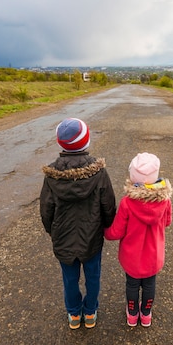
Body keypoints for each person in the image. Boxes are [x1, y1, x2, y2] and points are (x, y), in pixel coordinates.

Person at [40, 118, 116, 329]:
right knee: (93, 276)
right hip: (91, 237)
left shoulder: (52, 176)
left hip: (63, 238)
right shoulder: (98, 172)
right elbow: (108, 204)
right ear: (87, 141)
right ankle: (90, 311)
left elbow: (46, 209)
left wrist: (52, 231)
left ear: (60, 143)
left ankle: (74, 314)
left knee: (69, 278)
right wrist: (106, 226)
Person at [104, 152, 173, 327]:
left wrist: (105, 232)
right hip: (153, 256)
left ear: (133, 175)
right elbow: (167, 222)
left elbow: (117, 231)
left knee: (132, 285)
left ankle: (132, 314)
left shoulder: (128, 202)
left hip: (131, 257)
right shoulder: (164, 201)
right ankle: (146, 314)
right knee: (150, 285)